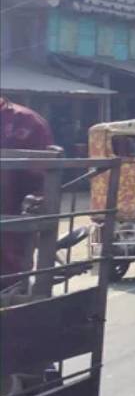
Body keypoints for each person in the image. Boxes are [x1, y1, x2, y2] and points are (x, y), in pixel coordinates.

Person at [0, 98, 55, 290]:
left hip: (10, 232)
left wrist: (35, 204)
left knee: (11, 285)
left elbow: (43, 182)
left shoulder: (26, 123)